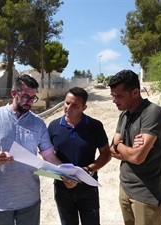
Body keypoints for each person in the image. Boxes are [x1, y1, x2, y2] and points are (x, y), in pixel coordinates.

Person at [0, 74, 61, 225]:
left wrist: (68, 172)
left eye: (33, 98)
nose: (29, 102)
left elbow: (49, 156)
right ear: (14, 94)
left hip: (29, 200)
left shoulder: (38, 123)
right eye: (25, 96)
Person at [108, 69, 161, 225]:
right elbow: (112, 150)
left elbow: (136, 157)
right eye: (113, 96)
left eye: (119, 96)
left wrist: (120, 145)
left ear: (135, 92)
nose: (114, 101)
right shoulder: (124, 115)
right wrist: (123, 147)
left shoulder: (153, 113)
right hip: (125, 187)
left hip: (147, 194)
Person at [47, 87, 111, 225]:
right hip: (62, 189)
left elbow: (106, 154)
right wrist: (61, 174)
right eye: (67, 103)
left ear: (84, 107)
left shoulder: (95, 126)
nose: (69, 108)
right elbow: (47, 155)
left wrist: (88, 170)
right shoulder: (53, 127)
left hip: (88, 188)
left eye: (75, 105)